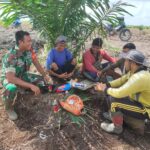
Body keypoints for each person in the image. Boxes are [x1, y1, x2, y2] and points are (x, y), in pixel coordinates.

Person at [0, 30, 53, 121]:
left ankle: (23, 88)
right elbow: (11, 78)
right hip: (9, 78)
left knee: (41, 80)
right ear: (21, 42)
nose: (30, 43)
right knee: (11, 88)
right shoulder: (11, 56)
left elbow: (36, 63)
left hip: (23, 75)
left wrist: (45, 75)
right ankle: (8, 107)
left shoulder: (29, 51)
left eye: (30, 40)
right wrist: (31, 85)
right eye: (28, 41)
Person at [95, 50, 150, 135]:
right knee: (111, 96)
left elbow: (119, 93)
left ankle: (117, 128)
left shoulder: (139, 78)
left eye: (126, 60)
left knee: (114, 101)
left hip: (144, 109)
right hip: (137, 103)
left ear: (133, 63)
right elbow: (121, 80)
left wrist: (105, 89)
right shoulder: (136, 72)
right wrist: (107, 84)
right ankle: (115, 117)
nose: (124, 62)